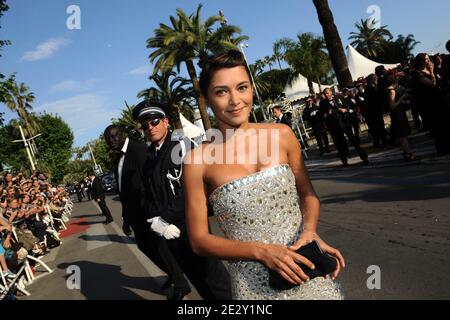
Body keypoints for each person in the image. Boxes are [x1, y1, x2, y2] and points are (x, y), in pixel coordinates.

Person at [183, 49, 345, 300]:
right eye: (221, 92)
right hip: (253, 287)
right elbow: (199, 240)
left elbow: (308, 195)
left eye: (242, 87)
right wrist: (261, 252)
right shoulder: (197, 161)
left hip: (307, 272)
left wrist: (310, 230)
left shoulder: (282, 135)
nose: (235, 100)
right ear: (205, 99)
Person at [133, 100, 232, 300]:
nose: (150, 128)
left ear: (166, 122)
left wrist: (165, 218)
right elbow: (147, 194)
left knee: (216, 283)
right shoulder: (150, 156)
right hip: (169, 234)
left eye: (154, 122)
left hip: (193, 227)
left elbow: (189, 189)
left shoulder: (184, 146)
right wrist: (156, 220)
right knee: (199, 283)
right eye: (145, 126)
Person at [103, 124, 192, 300]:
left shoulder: (138, 149)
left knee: (160, 248)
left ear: (123, 134)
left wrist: (155, 210)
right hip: (134, 214)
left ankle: (181, 284)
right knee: (145, 247)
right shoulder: (117, 157)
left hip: (148, 210)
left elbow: (151, 179)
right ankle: (173, 274)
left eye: (115, 136)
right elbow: (124, 190)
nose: (112, 140)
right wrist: (126, 217)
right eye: (109, 138)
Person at [320, 88, 369, 167]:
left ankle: (364, 157)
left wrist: (346, 109)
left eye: (328, 93)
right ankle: (344, 161)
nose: (326, 95)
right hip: (334, 126)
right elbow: (326, 112)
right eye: (325, 94)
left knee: (353, 140)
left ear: (331, 92)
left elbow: (348, 105)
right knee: (340, 145)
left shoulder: (338, 97)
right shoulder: (323, 103)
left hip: (344, 123)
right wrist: (338, 109)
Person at [384, 71, 415, 161]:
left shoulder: (391, 89)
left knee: (403, 135)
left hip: (398, 113)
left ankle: (406, 152)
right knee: (403, 135)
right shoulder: (391, 91)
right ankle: (408, 153)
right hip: (397, 114)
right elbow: (392, 105)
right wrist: (402, 97)